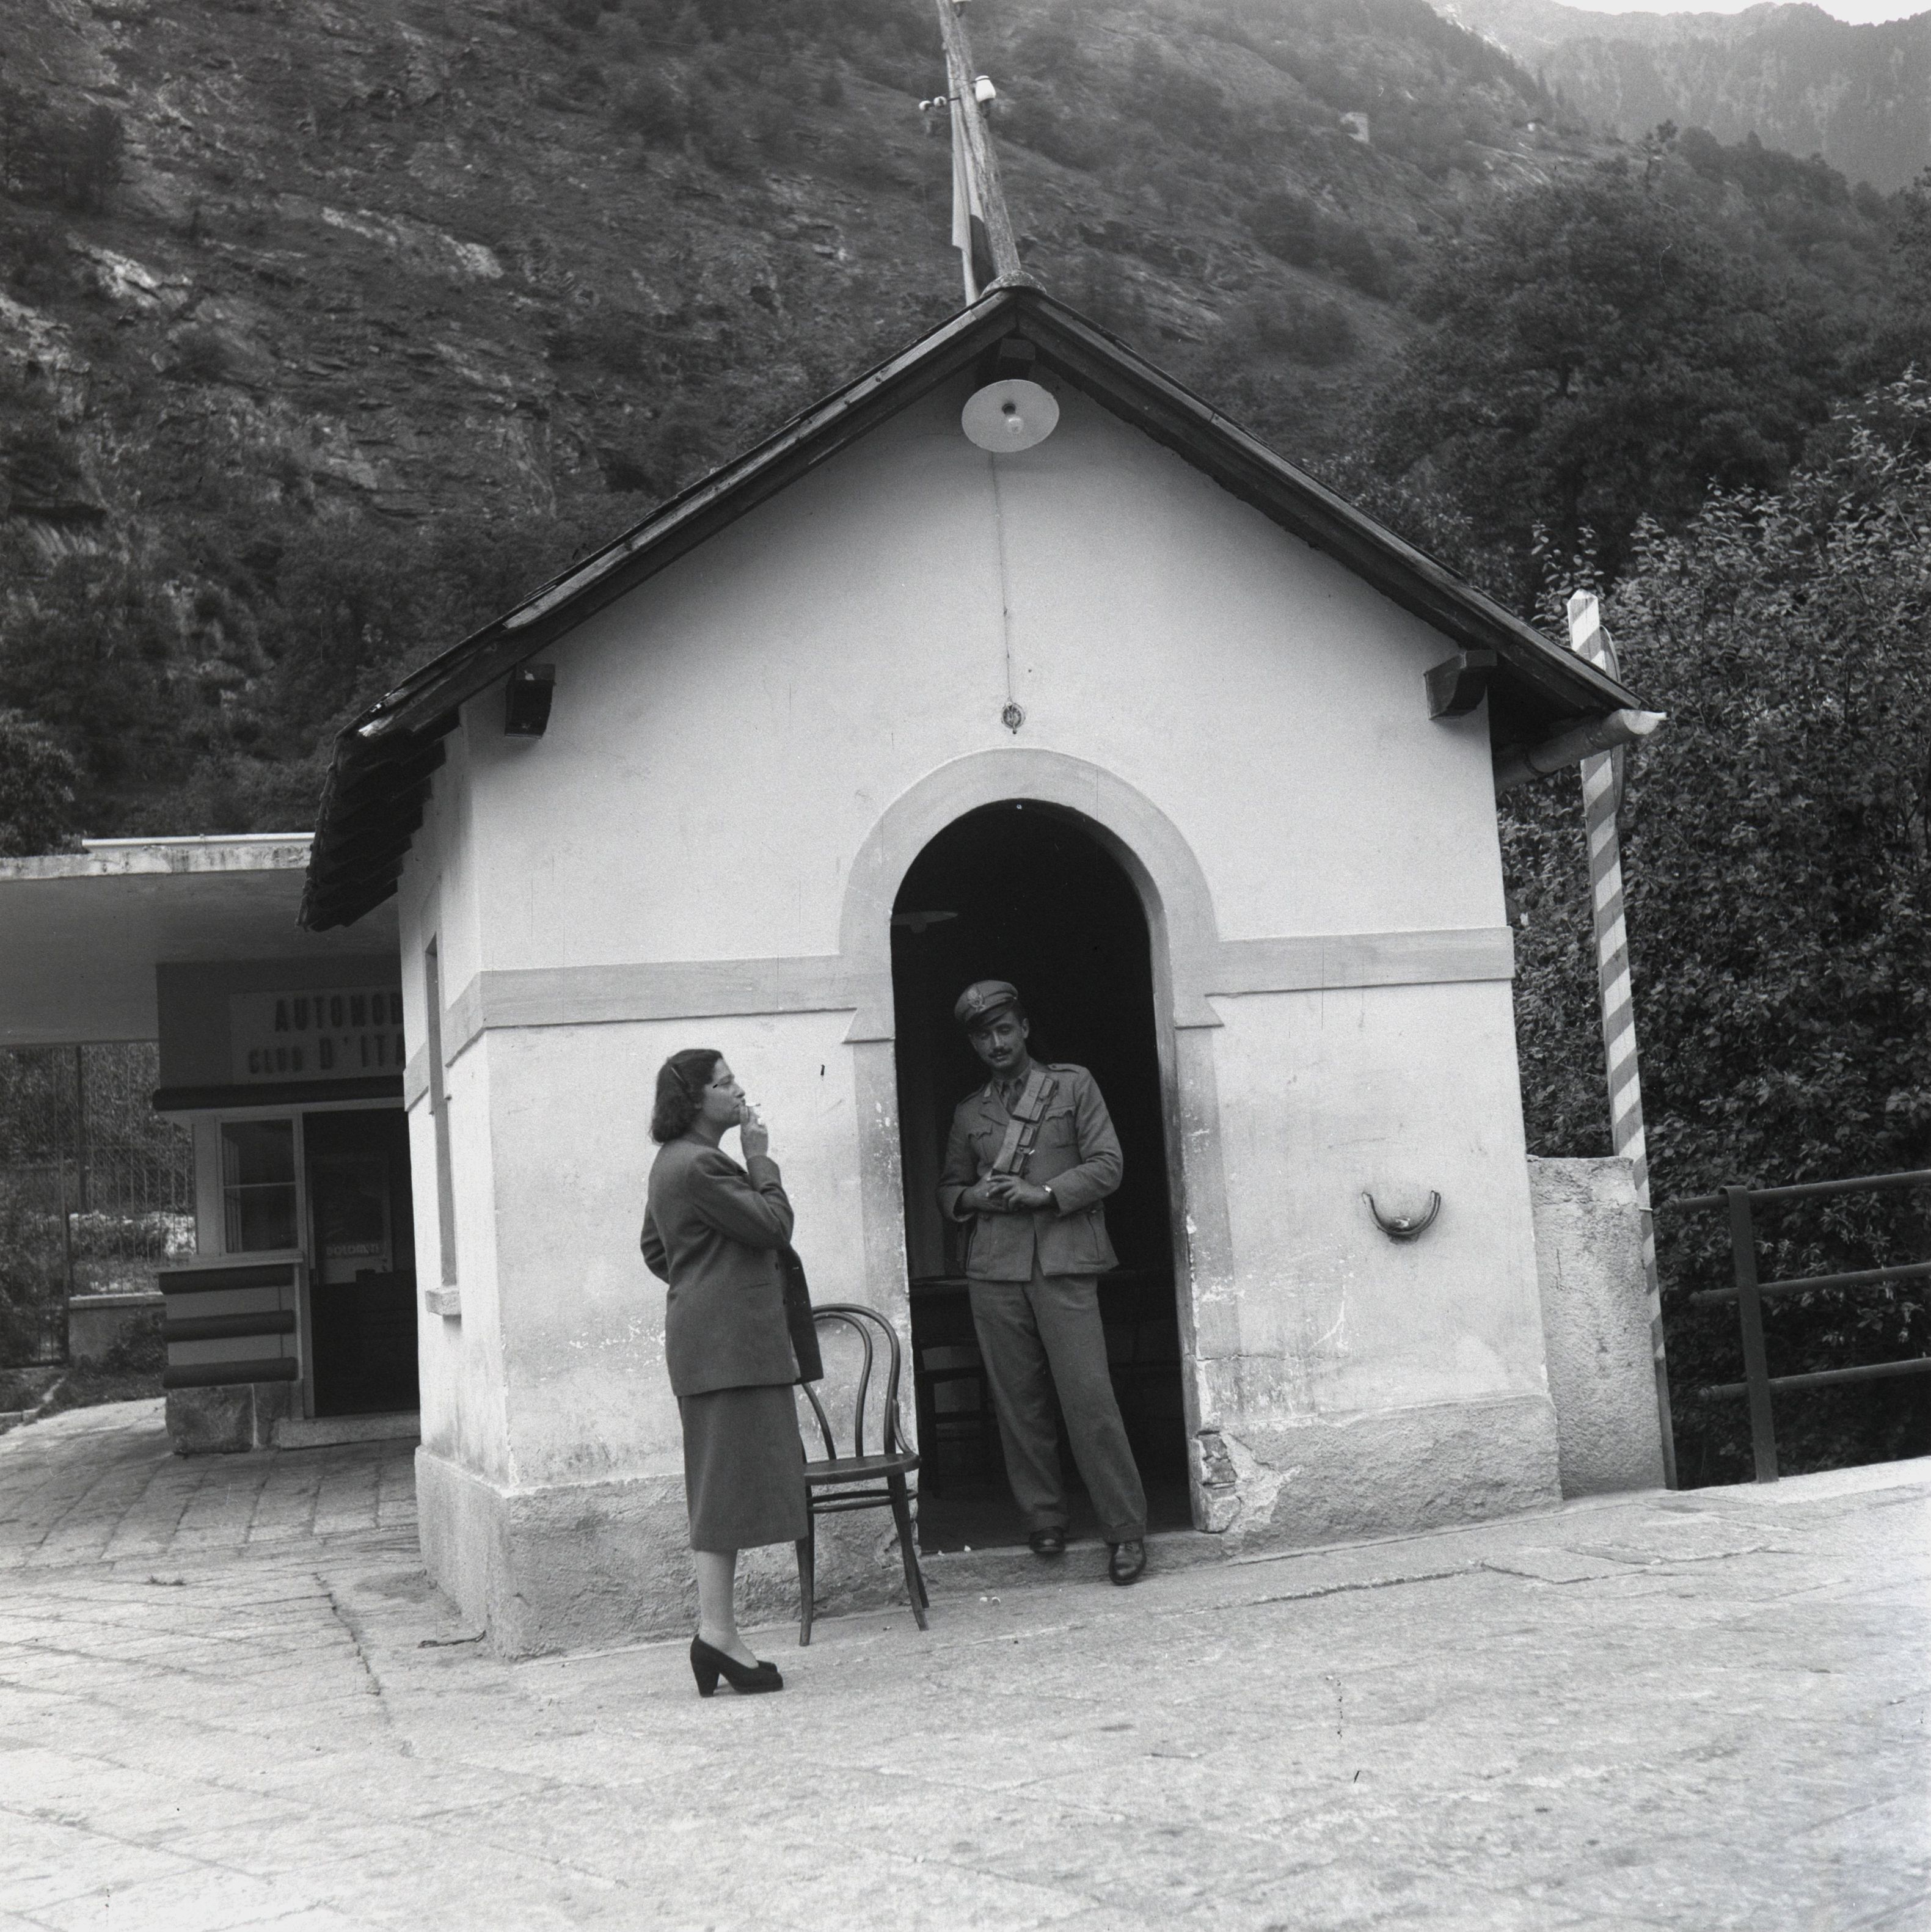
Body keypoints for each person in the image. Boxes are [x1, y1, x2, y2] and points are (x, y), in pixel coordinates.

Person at [938, 980, 1148, 1585]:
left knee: (1089, 1397)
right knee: (1018, 1401)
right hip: (994, 1268)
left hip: (1064, 1261)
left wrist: (1045, 1193)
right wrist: (973, 1197)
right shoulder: (968, 1112)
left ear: (1024, 1028)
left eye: (1005, 1029)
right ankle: (1043, 1516)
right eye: (983, 1035)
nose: (996, 1043)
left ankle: (1124, 1528)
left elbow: (1108, 1165)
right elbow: (948, 1188)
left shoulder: (1072, 1086)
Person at [641, 1049, 806, 1697]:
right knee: (718, 1492)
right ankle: (715, 1635)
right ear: (694, 1100)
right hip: (727, 1349)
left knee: (723, 1488)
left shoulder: (674, 1161)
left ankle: (719, 1634)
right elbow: (773, 1225)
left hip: (714, 1345)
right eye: (724, 1082)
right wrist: (760, 1156)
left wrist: (703, 1279)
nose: (738, 1090)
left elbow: (656, 1248)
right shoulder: (701, 1163)